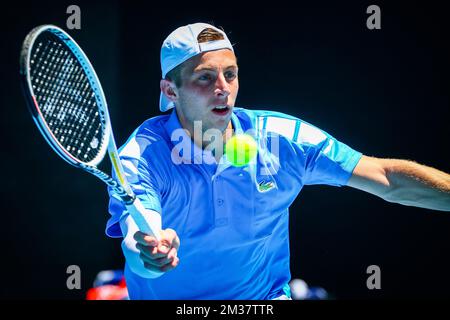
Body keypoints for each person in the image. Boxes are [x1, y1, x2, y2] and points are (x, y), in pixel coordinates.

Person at [106, 22, 450, 300]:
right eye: (205, 78)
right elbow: (138, 244)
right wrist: (152, 256)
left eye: (231, 73)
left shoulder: (283, 139)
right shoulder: (142, 157)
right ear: (170, 91)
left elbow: (386, 178)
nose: (223, 88)